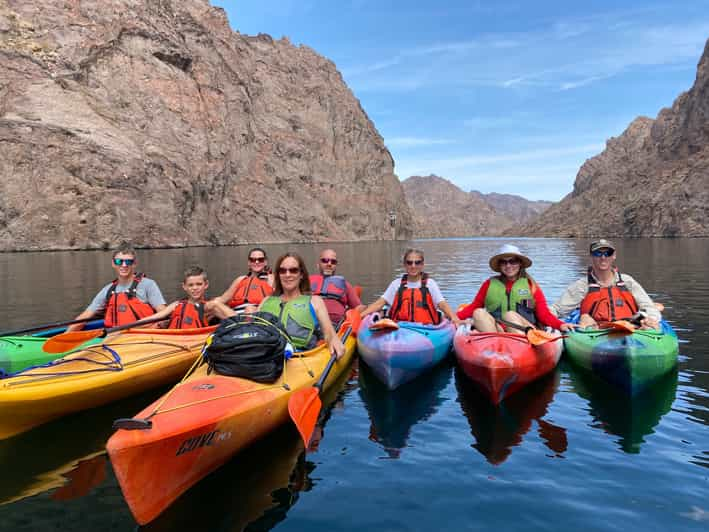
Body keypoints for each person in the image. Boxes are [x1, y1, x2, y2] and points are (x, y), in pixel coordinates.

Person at [210, 252, 345, 358]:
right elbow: (253, 332)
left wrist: (334, 342)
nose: (287, 275)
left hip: (300, 356)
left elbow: (329, 334)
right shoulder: (266, 301)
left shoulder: (314, 301)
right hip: (267, 356)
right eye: (282, 271)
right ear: (278, 275)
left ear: (301, 274)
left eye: (293, 270)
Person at [457, 244, 575, 333]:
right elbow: (474, 306)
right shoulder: (488, 284)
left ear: (520, 264)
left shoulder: (531, 286)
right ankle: (497, 345)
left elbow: (543, 313)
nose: (508, 266)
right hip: (497, 330)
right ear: (499, 265)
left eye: (512, 261)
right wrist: (453, 317)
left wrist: (560, 325)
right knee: (478, 313)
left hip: (523, 332)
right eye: (504, 262)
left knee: (510, 315)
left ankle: (514, 349)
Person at [550, 239, 661, 330]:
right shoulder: (582, 286)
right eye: (598, 253)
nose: (603, 257)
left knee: (648, 322)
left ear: (614, 256)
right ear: (591, 256)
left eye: (608, 253)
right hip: (596, 330)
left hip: (629, 327)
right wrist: (540, 319)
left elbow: (648, 306)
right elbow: (557, 310)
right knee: (584, 317)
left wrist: (651, 318)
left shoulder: (627, 281)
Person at [68, 243, 166, 330]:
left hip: (144, 338)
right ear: (113, 263)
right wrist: (64, 337)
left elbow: (164, 315)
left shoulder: (148, 285)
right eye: (119, 261)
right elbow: (85, 316)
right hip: (116, 339)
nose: (124, 265)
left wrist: (153, 327)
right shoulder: (108, 290)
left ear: (134, 264)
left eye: (128, 262)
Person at [361, 248, 460, 326]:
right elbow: (380, 303)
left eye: (417, 262)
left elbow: (442, 304)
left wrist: (454, 317)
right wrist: (360, 316)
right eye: (409, 262)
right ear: (404, 264)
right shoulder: (396, 284)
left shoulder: (430, 284)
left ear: (422, 265)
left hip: (426, 329)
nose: (413, 266)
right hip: (398, 328)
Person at [309, 248, 365, 326]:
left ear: (336, 266)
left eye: (333, 262)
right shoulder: (307, 282)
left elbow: (358, 307)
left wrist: (369, 310)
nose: (329, 264)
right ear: (318, 265)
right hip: (311, 326)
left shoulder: (345, 285)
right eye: (325, 260)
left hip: (337, 327)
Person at [208, 247, 274, 312]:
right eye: (252, 260)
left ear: (265, 262)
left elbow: (278, 299)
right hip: (235, 315)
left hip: (259, 314)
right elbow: (223, 299)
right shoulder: (240, 280)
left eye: (260, 259)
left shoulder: (271, 278)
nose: (256, 262)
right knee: (213, 304)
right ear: (249, 262)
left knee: (249, 309)